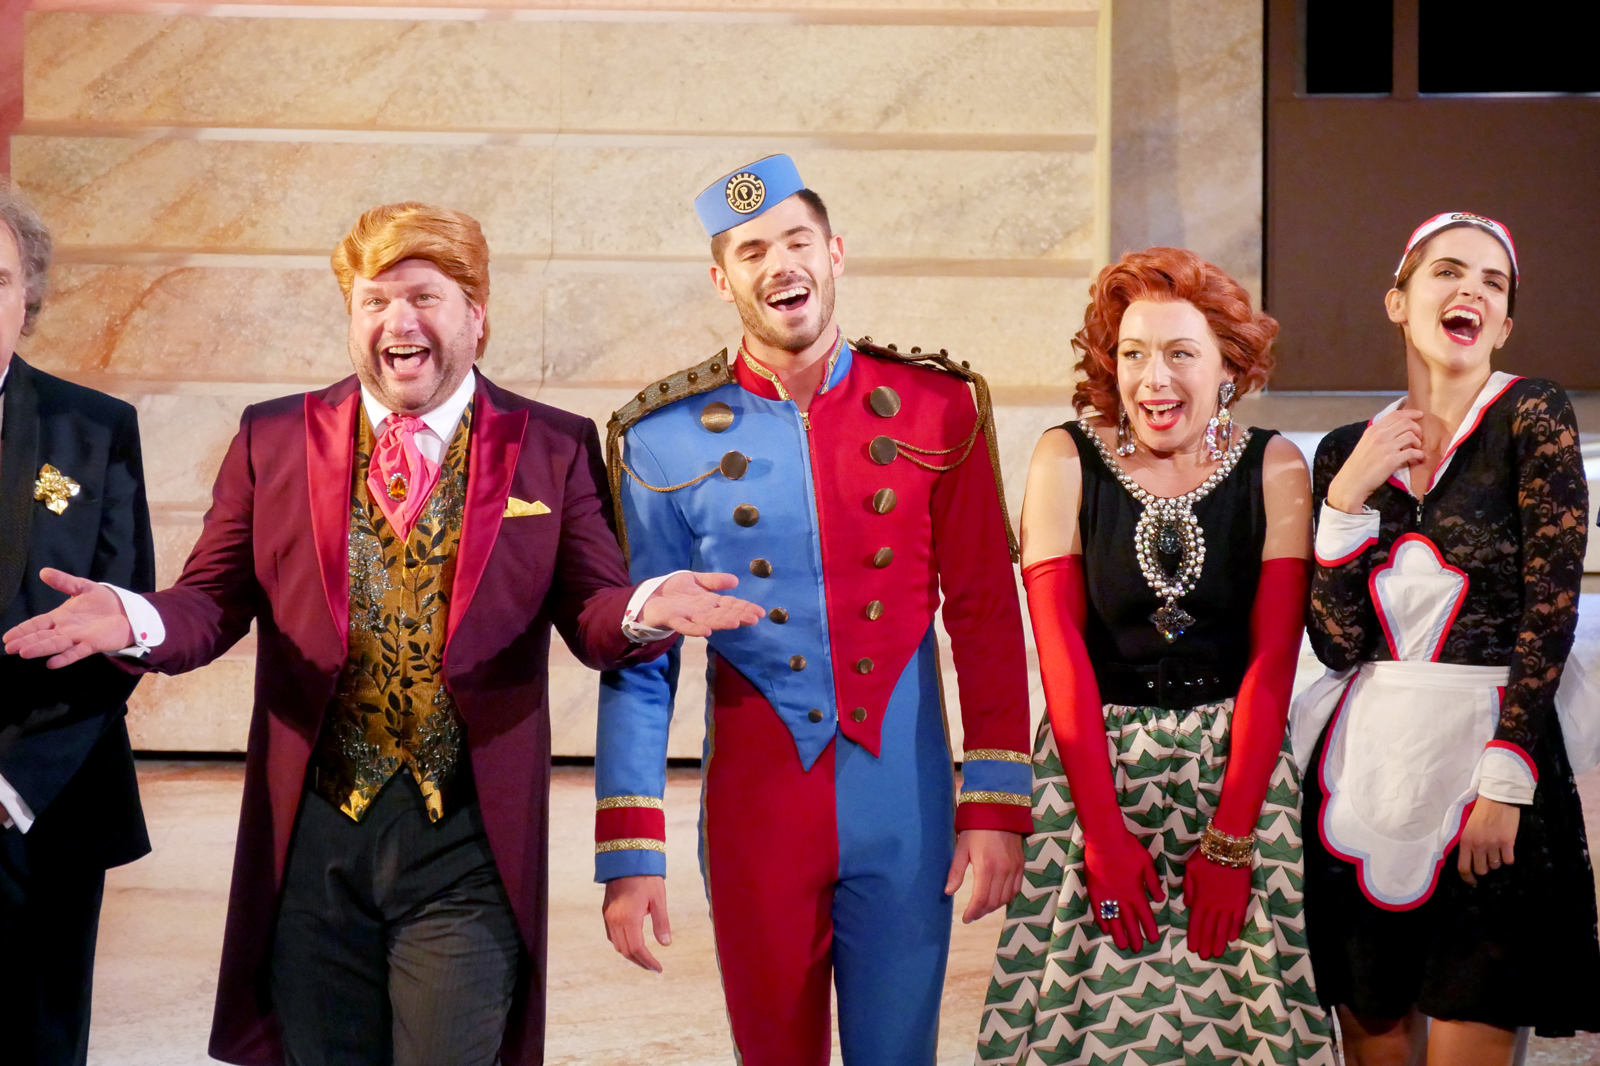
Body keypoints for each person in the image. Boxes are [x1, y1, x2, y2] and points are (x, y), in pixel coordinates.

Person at [3, 201, 763, 1066]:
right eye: (375, 301)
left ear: (477, 316)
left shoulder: (552, 446)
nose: (399, 322)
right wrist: (133, 615)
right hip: (312, 848)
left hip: (467, 849)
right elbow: (210, 602)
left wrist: (642, 607)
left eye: (424, 298)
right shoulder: (274, 438)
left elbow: (592, 613)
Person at [594, 154, 1033, 1065]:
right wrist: (631, 847)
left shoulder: (938, 407)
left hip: (907, 811)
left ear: (835, 254)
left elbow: (986, 615)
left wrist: (996, 803)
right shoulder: (660, 437)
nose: (779, 264)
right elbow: (642, 658)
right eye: (751, 251)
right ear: (722, 280)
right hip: (758, 817)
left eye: (797, 241)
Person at [977, 247, 1336, 1064]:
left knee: (1247, 1018)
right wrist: (1103, 836)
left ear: (1228, 369)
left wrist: (1232, 839)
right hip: (1092, 770)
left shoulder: (1275, 466)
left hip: (1236, 770)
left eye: (1181, 353)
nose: (1153, 378)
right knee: (1082, 1021)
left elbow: (1272, 664)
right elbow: (1060, 654)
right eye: (1133, 353)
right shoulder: (1064, 458)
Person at [1292, 212, 1600, 1064]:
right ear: (1398, 301)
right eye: (1448, 271)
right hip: (1363, 782)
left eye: (1492, 283)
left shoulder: (1532, 415)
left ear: (1503, 325)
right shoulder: (1348, 450)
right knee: (1376, 1040)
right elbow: (1338, 644)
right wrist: (1345, 501)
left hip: (1489, 773)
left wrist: (1506, 782)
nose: (1471, 289)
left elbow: (1551, 609)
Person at [0, 186, 155, 1065]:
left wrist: (12, 785)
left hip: (47, 803)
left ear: (28, 293)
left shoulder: (95, 429)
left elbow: (125, 627)